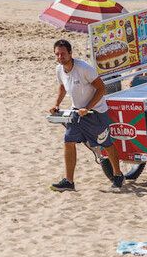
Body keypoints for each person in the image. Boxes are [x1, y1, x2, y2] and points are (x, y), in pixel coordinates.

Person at [49, 39, 124, 191]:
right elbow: (62, 87)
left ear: (70, 53)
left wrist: (88, 107)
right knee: (68, 141)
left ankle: (118, 175)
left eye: (63, 54)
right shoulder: (59, 69)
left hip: (96, 112)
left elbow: (101, 89)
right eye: (57, 54)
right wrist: (56, 104)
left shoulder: (84, 68)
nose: (60, 57)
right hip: (76, 112)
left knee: (106, 143)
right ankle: (69, 181)